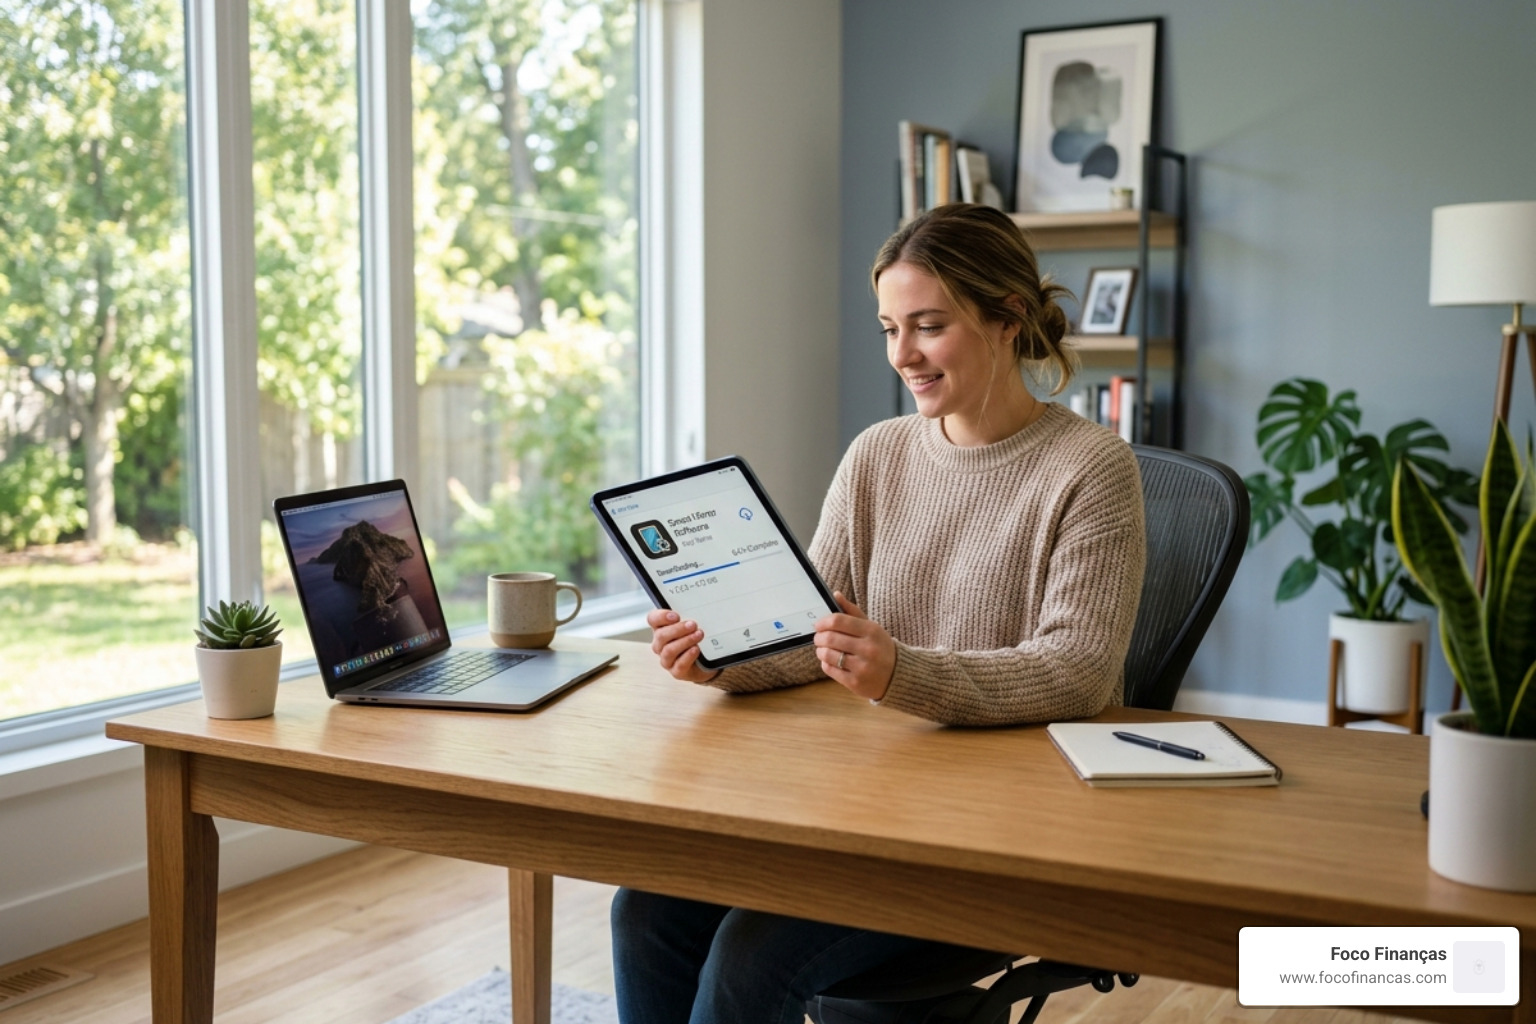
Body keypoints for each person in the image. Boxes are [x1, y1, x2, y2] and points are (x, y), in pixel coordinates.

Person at [611, 202, 1147, 1024]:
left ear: (1008, 319)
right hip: (862, 808)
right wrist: (720, 655)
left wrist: (903, 671)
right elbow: (813, 633)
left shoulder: (1091, 469)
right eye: (889, 328)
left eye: (928, 326)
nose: (903, 355)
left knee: (749, 962)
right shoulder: (878, 454)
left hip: (991, 835)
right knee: (643, 908)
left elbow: (1078, 670)